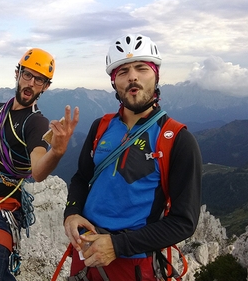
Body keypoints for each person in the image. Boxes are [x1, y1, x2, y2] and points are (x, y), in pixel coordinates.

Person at [63, 34, 202, 280]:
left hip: (134, 265)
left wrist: (118, 246)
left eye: (141, 68)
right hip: (85, 256)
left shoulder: (177, 140)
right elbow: (81, 177)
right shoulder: (100, 127)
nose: (133, 77)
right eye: (123, 71)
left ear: (156, 76)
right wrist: (72, 212)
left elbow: (183, 222)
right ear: (114, 82)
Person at [0, 48, 79, 281]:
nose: (31, 83)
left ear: (45, 87)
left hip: (3, 215)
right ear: (17, 73)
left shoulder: (36, 123)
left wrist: (57, 152)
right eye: (27, 75)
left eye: (39, 79)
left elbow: (38, 170)